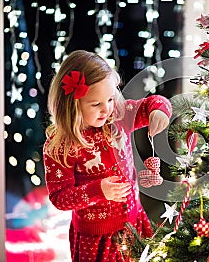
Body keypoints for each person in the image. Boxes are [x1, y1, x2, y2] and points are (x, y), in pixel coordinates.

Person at [43, 50, 172, 261]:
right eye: (96, 104)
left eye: (111, 99)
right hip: (95, 239)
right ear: (72, 105)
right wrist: (98, 190)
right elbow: (60, 198)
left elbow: (151, 103)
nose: (107, 109)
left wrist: (159, 110)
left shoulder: (118, 117)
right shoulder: (60, 145)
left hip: (134, 223)